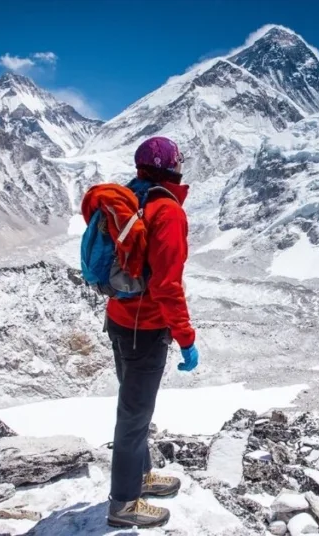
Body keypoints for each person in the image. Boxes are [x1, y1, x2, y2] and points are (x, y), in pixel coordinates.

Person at [106, 136, 199, 529]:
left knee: (135, 410)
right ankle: (124, 503)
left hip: (119, 319)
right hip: (146, 329)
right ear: (171, 166)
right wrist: (186, 337)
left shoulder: (128, 200)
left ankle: (139, 477)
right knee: (134, 415)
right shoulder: (167, 211)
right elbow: (166, 286)